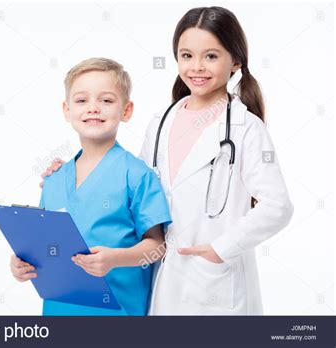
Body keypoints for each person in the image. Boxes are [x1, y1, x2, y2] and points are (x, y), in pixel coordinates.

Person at [42, 7, 294, 315]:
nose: (197, 67)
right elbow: (126, 187)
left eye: (211, 56)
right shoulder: (162, 122)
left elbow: (277, 206)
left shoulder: (245, 128)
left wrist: (220, 249)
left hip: (217, 284)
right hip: (164, 281)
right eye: (186, 55)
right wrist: (67, 173)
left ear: (236, 61)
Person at [10, 57, 172, 315]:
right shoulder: (54, 179)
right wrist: (22, 263)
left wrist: (115, 259)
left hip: (118, 312)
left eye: (106, 100)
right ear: (66, 110)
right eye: (82, 100)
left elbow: (158, 246)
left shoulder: (137, 175)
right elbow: (43, 243)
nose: (93, 108)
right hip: (59, 309)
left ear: (126, 110)